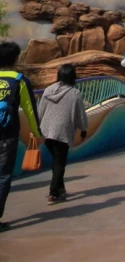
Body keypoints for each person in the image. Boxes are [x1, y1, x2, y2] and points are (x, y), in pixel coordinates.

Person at [0, 41, 42, 232]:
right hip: (7, 135)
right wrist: (36, 131)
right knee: (3, 177)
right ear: (15, 59)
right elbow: (30, 110)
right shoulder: (18, 80)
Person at [38, 64, 88, 205]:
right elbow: (81, 115)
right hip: (62, 133)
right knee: (60, 163)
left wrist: (37, 129)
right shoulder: (75, 93)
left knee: (57, 162)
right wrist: (83, 130)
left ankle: (60, 190)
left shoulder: (48, 90)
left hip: (46, 131)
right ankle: (54, 193)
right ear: (73, 76)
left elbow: (40, 110)